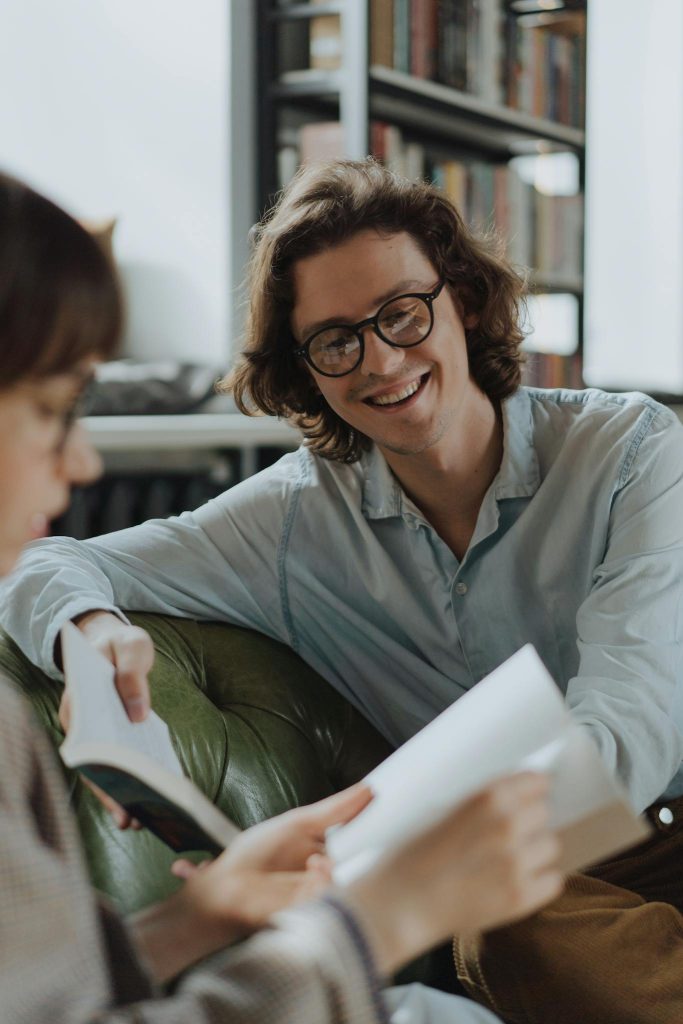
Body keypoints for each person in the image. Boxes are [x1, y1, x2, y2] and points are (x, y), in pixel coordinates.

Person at [2, 157, 683, 1022]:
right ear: (306, 367)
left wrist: (451, 853)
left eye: (401, 313)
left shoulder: (625, 449)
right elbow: (42, 563)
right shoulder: (289, 522)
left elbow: (630, 724)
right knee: (504, 922)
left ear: (462, 301)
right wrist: (90, 632)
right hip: (545, 889)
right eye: (335, 340)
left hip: (659, 813)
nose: (381, 359)